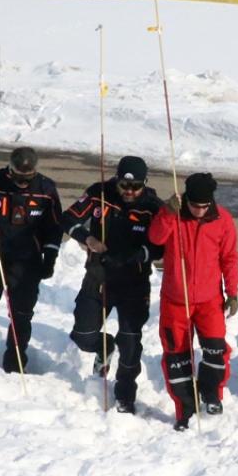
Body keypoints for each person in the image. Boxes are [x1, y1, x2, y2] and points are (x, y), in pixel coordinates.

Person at [61, 156, 164, 414]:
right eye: (124, 186)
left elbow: (162, 246)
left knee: (130, 343)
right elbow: (68, 219)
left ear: (145, 184)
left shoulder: (153, 206)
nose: (129, 192)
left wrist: (140, 254)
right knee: (83, 335)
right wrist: (88, 238)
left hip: (134, 281)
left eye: (135, 187)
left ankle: (125, 395)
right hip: (99, 276)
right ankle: (103, 347)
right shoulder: (99, 194)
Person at [147, 173, 238, 431]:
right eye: (195, 205)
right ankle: (185, 407)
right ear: (186, 199)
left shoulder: (222, 219)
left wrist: (232, 293)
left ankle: (212, 394)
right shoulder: (173, 215)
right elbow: (155, 238)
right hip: (175, 300)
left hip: (209, 301)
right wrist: (167, 213)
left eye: (204, 206)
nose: (199, 210)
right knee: (177, 356)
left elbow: (229, 258)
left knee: (215, 351)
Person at [0, 147, 63, 373]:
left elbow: (54, 229)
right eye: (18, 178)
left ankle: (15, 358)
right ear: (10, 170)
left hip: (27, 261)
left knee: (21, 312)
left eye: (28, 178)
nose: (23, 183)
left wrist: (50, 257)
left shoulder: (47, 189)